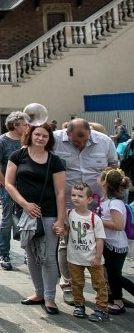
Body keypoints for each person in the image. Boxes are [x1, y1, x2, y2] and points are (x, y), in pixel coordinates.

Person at [52, 118, 117, 304]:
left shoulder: (104, 142)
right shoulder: (55, 140)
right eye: (76, 142)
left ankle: (105, 285)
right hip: (68, 202)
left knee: (99, 241)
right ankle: (69, 285)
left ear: (90, 132)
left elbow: (114, 167)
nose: (80, 144)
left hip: (97, 203)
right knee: (66, 242)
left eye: (84, 141)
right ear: (67, 133)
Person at [5, 122, 66, 315]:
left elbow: (61, 191)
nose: (40, 138)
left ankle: (50, 298)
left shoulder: (54, 161)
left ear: (49, 140)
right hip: (25, 214)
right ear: (30, 135)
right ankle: (38, 293)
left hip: (47, 213)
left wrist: (61, 219)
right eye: (37, 134)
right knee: (30, 256)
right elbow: (8, 184)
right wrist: (25, 204)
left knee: (48, 257)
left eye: (45, 136)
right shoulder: (18, 156)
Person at [64, 182, 109, 321]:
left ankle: (102, 309)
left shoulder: (94, 218)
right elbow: (67, 232)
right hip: (74, 257)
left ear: (89, 199)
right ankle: (79, 305)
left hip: (92, 258)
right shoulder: (69, 213)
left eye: (80, 196)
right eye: (73, 195)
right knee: (76, 283)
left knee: (99, 284)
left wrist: (97, 257)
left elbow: (100, 239)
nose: (76, 198)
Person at [0, 111, 29, 270]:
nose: (27, 127)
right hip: (9, 187)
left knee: (27, 220)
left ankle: (28, 252)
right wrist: (5, 184)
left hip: (26, 186)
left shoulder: (27, 140)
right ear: (15, 125)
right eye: (24, 124)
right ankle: (4, 253)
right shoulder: (1, 141)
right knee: (6, 220)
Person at [96, 167, 133, 315]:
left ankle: (119, 302)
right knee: (111, 274)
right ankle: (118, 302)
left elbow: (119, 225)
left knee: (115, 275)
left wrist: (98, 221)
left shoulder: (114, 203)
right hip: (108, 243)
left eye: (100, 176)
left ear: (105, 183)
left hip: (117, 245)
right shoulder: (106, 201)